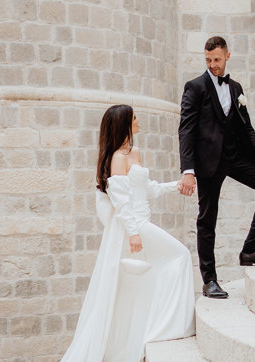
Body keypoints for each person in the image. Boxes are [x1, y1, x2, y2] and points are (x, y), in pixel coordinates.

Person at [61, 104, 195, 362]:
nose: (138, 119)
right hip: (135, 225)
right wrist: (133, 232)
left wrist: (175, 186)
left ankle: (150, 329)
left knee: (142, 282)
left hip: (142, 220)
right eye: (134, 117)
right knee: (180, 255)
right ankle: (171, 325)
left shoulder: (134, 153)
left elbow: (149, 189)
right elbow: (121, 201)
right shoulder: (117, 159)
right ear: (124, 123)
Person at [178, 36, 255, 299]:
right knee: (207, 220)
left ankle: (250, 249)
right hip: (208, 163)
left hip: (236, 157)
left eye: (216, 59)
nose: (212, 65)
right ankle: (209, 280)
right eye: (208, 60)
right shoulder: (195, 87)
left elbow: (247, 127)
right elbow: (186, 130)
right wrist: (188, 170)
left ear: (227, 56)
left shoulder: (236, 87)